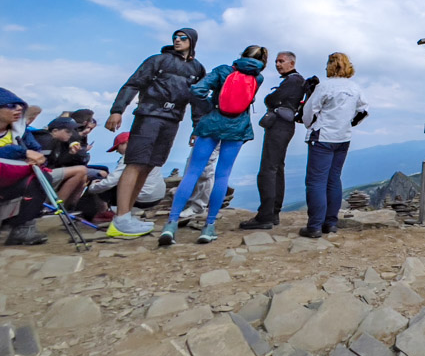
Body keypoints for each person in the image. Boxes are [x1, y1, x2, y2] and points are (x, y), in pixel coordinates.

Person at [159, 45, 267, 246]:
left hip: (212, 123)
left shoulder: (222, 70)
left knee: (192, 172)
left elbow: (197, 90)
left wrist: (212, 108)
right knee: (223, 175)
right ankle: (209, 227)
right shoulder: (258, 78)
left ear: (241, 55)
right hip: (237, 126)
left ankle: (171, 224)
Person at [104, 28, 206, 239]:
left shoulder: (197, 68)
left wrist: (198, 127)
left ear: (192, 41)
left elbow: (198, 99)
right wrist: (117, 110)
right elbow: (133, 84)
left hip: (172, 119)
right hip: (148, 115)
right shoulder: (158, 60)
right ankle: (120, 220)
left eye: (182, 38)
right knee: (135, 163)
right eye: (175, 38)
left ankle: (127, 215)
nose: (177, 40)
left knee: (150, 165)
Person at [300, 52, 367, 238]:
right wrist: (348, 123)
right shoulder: (355, 88)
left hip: (322, 138)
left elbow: (309, 111)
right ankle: (330, 223)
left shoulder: (325, 86)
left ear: (330, 65)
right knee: (334, 179)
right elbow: (363, 110)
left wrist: (310, 124)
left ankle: (314, 226)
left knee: (316, 182)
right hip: (343, 138)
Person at [240, 51, 305, 230]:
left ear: (291, 63)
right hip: (285, 126)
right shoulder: (296, 80)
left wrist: (270, 99)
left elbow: (272, 99)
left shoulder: (293, 80)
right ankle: (273, 213)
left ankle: (265, 216)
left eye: (281, 61)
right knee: (276, 168)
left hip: (279, 127)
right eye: (276, 61)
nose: (277, 64)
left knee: (268, 170)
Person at [0, 87, 51, 245]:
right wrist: (22, 152)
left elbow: (36, 152)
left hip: (10, 183)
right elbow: (26, 152)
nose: (19, 109)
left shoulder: (21, 132)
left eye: (20, 106)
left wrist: (38, 159)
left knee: (42, 177)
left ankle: (23, 228)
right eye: (11, 105)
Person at [79, 132, 167, 223]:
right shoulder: (148, 153)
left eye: (117, 148)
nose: (117, 151)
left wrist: (92, 188)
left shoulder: (129, 158)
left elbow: (112, 181)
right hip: (157, 197)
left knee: (101, 186)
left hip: (142, 198)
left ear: (126, 143)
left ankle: (103, 213)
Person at [33, 117, 90, 207]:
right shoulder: (46, 140)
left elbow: (57, 162)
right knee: (82, 170)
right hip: (38, 176)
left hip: (47, 173)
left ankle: (68, 207)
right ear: (55, 131)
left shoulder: (59, 142)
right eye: (68, 131)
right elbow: (43, 162)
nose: (71, 134)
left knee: (83, 176)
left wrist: (71, 153)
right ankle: (56, 207)